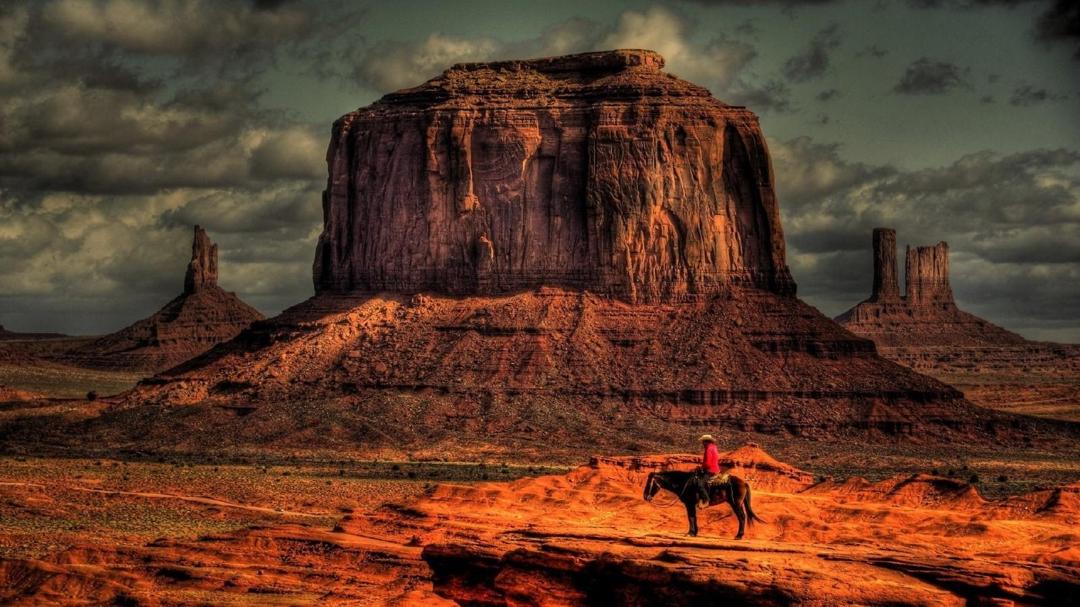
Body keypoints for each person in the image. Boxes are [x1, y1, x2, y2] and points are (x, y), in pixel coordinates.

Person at [696, 434, 727, 507]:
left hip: (710, 470)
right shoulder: (714, 447)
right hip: (716, 469)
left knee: (699, 484)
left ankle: (706, 500)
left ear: (706, 441)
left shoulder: (708, 449)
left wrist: (701, 468)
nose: (702, 444)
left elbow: (707, 463)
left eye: (703, 442)